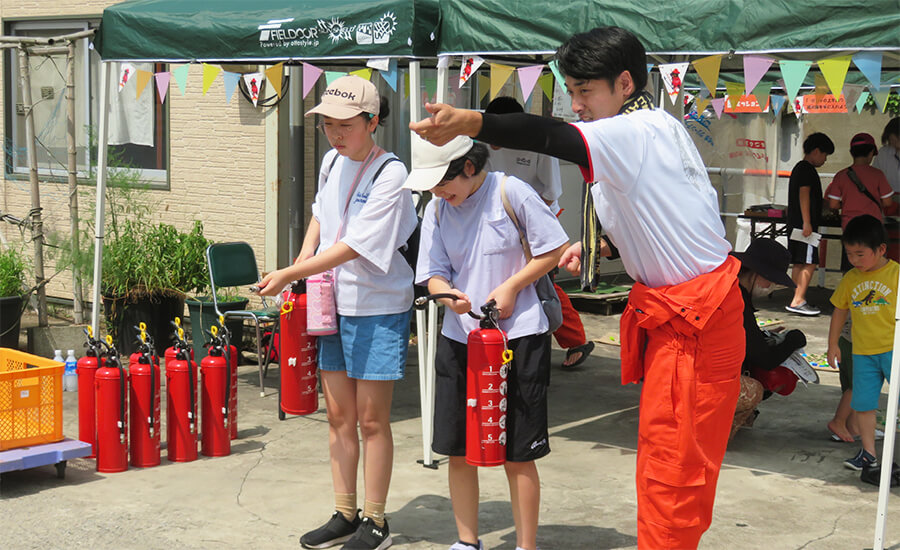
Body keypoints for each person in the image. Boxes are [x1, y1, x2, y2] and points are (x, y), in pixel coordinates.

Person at [411, 26, 744, 550]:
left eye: (586, 91)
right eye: (571, 90)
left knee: (673, 471)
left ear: (626, 83)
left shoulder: (631, 132)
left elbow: (551, 137)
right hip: (685, 309)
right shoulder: (655, 126)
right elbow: (665, 213)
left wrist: (472, 120)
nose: (576, 104)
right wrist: (598, 248)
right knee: (672, 465)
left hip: (694, 317)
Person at [257, 75, 417, 550]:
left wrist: (291, 272)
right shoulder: (330, 162)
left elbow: (351, 246)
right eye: (327, 123)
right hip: (332, 303)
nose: (334, 132)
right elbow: (321, 219)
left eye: (345, 124)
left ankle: (376, 520)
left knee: (372, 420)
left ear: (372, 122)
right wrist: (302, 270)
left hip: (377, 307)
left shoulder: (392, 173)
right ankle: (345, 511)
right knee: (338, 417)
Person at [407, 136, 568, 550]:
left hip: (519, 339)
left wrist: (513, 286)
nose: (438, 192)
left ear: (468, 167)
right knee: (457, 446)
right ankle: (466, 540)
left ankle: (525, 545)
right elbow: (432, 271)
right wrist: (448, 294)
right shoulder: (439, 208)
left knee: (519, 452)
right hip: (461, 339)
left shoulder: (510, 191)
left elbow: (553, 248)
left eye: (442, 183)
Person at [483, 96, 594, 368]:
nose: (492, 139)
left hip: (538, 223)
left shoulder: (539, 147)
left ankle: (574, 339)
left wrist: (522, 229)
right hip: (494, 224)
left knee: (541, 284)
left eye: (498, 132)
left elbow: (549, 194)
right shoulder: (482, 145)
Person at [827, 214, 898, 482]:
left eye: (860, 254)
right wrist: (833, 344)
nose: (855, 260)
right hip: (863, 353)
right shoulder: (851, 279)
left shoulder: (896, 274)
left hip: (894, 351)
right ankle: (869, 453)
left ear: (881, 249)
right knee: (865, 404)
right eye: (849, 254)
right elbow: (839, 310)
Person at [730, 239, 808, 440]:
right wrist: (792, 340)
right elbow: (765, 359)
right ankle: (713, 434)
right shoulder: (737, 299)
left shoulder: (731, 288)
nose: (772, 286)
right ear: (757, 273)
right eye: (771, 280)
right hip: (704, 381)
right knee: (757, 387)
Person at [785, 132, 834, 316]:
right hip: (804, 226)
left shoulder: (799, 168)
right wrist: (807, 222)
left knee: (799, 261)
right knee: (809, 262)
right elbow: (804, 194)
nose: (824, 159)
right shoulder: (807, 170)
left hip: (796, 224)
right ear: (816, 151)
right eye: (824, 155)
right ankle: (798, 299)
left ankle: (796, 296)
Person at [873, 118, 900, 196]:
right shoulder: (883, 153)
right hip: (888, 197)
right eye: (892, 140)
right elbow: (875, 176)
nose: (894, 143)